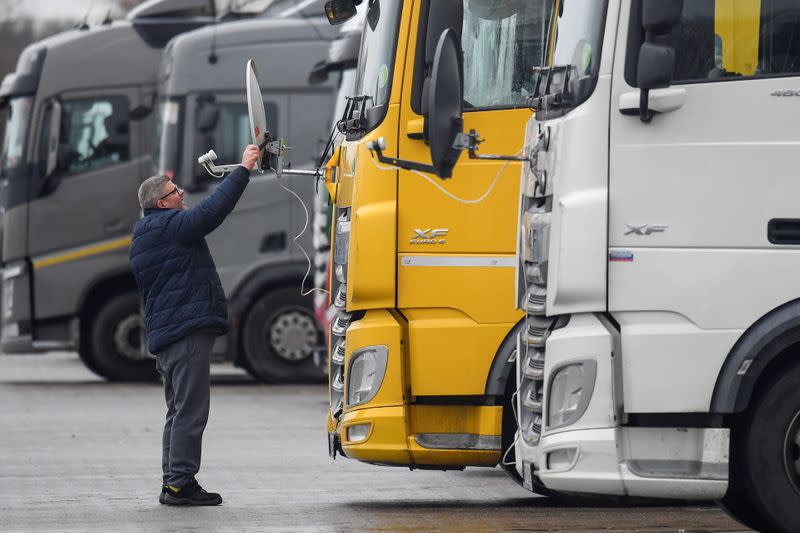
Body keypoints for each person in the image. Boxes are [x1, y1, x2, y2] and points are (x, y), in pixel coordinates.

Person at [130, 144, 260, 506]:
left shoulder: (149, 230)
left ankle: (173, 480)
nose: (181, 192)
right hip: (184, 333)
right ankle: (179, 485)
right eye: (174, 192)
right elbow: (212, 212)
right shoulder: (166, 227)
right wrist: (244, 169)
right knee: (190, 410)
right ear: (161, 203)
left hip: (171, 335)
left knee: (178, 410)